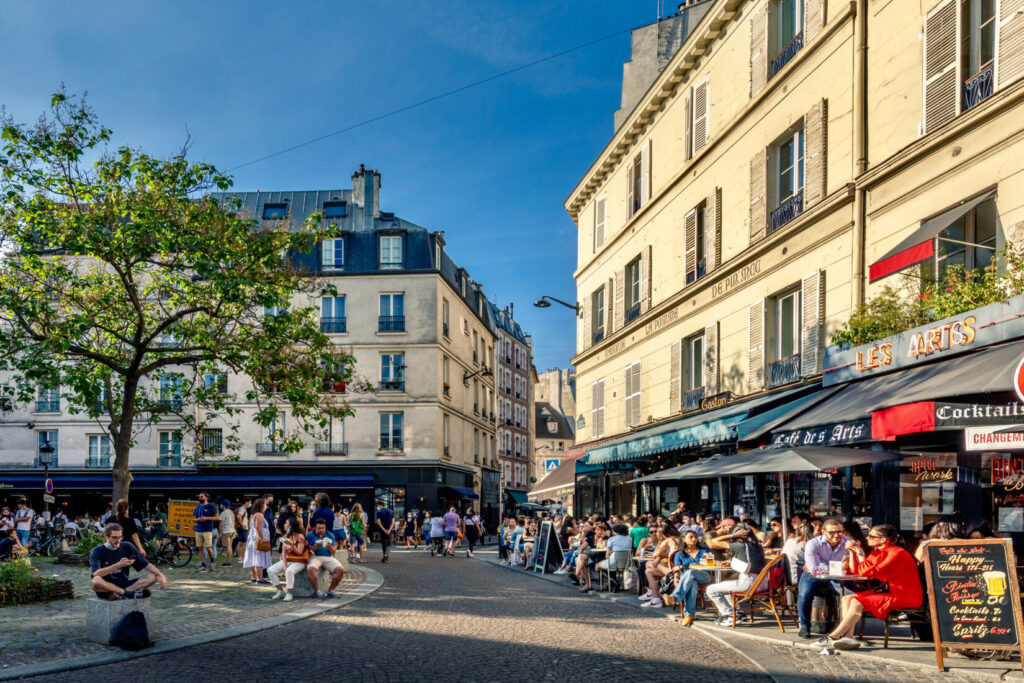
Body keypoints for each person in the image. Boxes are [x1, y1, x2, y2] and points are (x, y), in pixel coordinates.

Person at [806, 525, 923, 651]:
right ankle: (848, 637)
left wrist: (860, 552)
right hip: (891, 591)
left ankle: (834, 636)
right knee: (847, 598)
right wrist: (852, 552)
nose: (868, 537)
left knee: (857, 601)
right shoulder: (878, 552)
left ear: (883, 539)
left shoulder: (896, 553)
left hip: (904, 595)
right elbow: (857, 572)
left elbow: (865, 572)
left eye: (871, 536)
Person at [796, 517, 851, 638]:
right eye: (832, 532)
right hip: (813, 576)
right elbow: (813, 569)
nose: (836, 535)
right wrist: (838, 568)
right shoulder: (813, 544)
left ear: (844, 531)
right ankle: (805, 626)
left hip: (837, 577)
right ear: (823, 532)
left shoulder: (848, 542)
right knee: (804, 595)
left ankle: (844, 627)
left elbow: (852, 565)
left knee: (851, 595)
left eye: (839, 532)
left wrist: (856, 551)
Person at [705, 521, 767, 625]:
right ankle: (738, 613)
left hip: (748, 583)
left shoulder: (740, 545)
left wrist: (732, 535)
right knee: (726, 588)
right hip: (762, 583)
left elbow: (713, 542)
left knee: (710, 589)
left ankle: (730, 615)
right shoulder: (758, 546)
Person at [89, 523, 167, 600]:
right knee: (96, 581)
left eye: (120, 537)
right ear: (106, 536)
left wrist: (161, 575)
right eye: (114, 538)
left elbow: (146, 564)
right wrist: (118, 565)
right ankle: (126, 594)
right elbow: (96, 574)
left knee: (154, 576)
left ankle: (122, 594)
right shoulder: (97, 551)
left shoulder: (127, 546)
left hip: (124, 584)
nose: (118, 541)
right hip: (106, 587)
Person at [670, 530, 712, 626]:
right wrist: (676, 578)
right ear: (684, 539)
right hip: (687, 579)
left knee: (691, 572)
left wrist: (684, 567)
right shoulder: (679, 554)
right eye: (691, 537)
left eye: (695, 537)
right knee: (692, 583)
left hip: (704, 576)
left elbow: (708, 564)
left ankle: (676, 596)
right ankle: (689, 614)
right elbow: (676, 569)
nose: (694, 539)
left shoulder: (705, 551)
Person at [640, 523, 682, 607]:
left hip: (673, 571)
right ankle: (655, 598)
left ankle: (653, 593)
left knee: (648, 563)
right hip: (680, 568)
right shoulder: (678, 540)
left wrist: (659, 543)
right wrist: (661, 557)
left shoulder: (667, 541)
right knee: (649, 571)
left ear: (661, 534)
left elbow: (655, 554)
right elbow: (672, 555)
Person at [267, 524, 309, 602]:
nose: (285, 526)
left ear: (291, 527)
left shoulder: (300, 537)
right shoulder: (286, 536)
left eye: (287, 524)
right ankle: (280, 591)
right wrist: (284, 565)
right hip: (288, 559)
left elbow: (299, 552)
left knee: (289, 571)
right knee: (271, 570)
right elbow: (284, 553)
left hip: (299, 561)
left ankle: (289, 593)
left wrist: (292, 545)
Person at [306, 520, 345, 598]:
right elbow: (309, 550)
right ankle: (317, 591)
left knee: (340, 570)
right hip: (315, 556)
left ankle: (331, 590)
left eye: (323, 528)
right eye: (319, 528)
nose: (321, 530)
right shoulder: (310, 535)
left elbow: (333, 552)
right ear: (314, 527)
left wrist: (330, 547)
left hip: (328, 557)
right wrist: (316, 546)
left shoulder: (330, 535)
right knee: (311, 569)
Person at [244, 498, 272, 583]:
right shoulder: (259, 515)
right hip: (258, 538)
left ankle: (254, 577)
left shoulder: (253, 515)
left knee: (252, 557)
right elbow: (258, 527)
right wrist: (262, 538)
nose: (266, 506)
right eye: (265, 505)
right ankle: (260, 578)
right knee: (259, 557)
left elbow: (251, 527)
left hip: (252, 538)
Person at [193, 492, 219, 573]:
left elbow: (217, 517)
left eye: (202, 497)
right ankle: (203, 566)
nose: (200, 498)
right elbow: (194, 519)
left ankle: (212, 561)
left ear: (206, 497)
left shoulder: (211, 506)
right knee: (200, 548)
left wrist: (206, 518)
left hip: (207, 530)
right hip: (198, 530)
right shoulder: (197, 507)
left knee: (208, 548)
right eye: (199, 497)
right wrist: (199, 519)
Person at [218, 500, 236, 567]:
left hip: (226, 531)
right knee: (230, 546)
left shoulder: (223, 513)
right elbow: (234, 522)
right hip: (232, 530)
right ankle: (229, 561)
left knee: (227, 547)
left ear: (223, 505)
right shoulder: (231, 512)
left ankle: (228, 562)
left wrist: (220, 533)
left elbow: (221, 524)